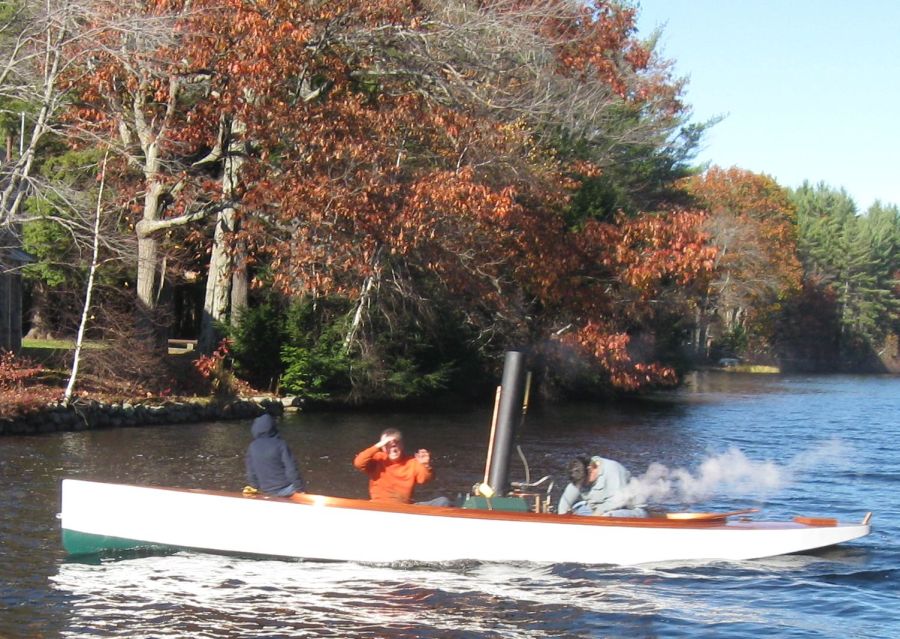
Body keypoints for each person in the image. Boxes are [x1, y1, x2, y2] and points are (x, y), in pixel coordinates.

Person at [353, 428, 449, 506]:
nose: (393, 447)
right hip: (378, 506)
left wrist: (425, 465)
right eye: (388, 445)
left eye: (396, 444)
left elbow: (424, 479)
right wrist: (379, 444)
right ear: (382, 447)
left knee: (443, 501)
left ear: (402, 445)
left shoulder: (412, 462)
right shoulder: (377, 458)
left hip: (404, 508)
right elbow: (358, 463)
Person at [557, 455, 646, 517]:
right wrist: (561, 516)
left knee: (606, 517)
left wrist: (595, 516)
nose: (582, 484)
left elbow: (617, 502)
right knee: (575, 513)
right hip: (596, 509)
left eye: (583, 481)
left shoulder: (613, 470)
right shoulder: (580, 473)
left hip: (628, 510)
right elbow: (566, 499)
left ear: (591, 469)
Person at [244, 413, 305, 500]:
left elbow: (251, 471)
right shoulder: (280, 444)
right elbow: (291, 469)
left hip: (266, 490)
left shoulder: (252, 446)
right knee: (303, 492)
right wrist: (300, 489)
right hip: (286, 489)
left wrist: (255, 487)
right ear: (273, 428)